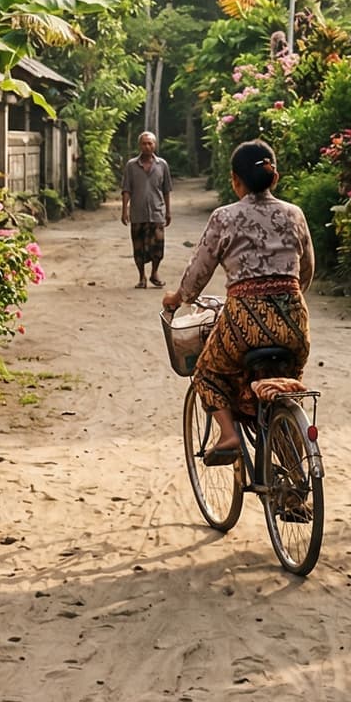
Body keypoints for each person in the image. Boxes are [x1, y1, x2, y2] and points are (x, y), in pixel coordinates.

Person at [162, 140, 315, 464]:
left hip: (244, 322)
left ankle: (229, 435)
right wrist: (285, 296)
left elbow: (197, 275)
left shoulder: (225, 217)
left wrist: (178, 298)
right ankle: (293, 486)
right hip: (294, 323)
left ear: (235, 179)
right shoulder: (295, 214)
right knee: (284, 386)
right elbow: (307, 271)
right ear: (275, 177)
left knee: (207, 372)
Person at [119, 131, 173, 290]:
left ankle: (154, 273)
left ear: (155, 145)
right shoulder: (131, 165)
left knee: (158, 246)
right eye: (144, 143)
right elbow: (126, 189)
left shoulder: (162, 165)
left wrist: (168, 211)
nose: (147, 146)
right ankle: (141, 277)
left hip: (157, 212)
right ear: (139, 146)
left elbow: (167, 190)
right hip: (138, 213)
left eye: (150, 143)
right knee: (138, 247)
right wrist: (124, 210)